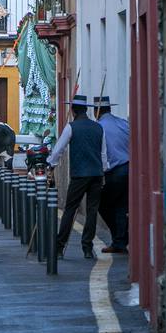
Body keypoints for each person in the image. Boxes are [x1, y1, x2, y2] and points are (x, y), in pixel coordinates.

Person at [47, 94, 109, 259]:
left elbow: (58, 149)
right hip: (96, 174)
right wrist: (103, 173)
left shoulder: (71, 127)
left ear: (73, 110)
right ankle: (87, 248)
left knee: (70, 209)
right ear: (86, 110)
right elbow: (103, 155)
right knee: (92, 211)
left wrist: (51, 164)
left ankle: (60, 246)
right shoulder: (98, 128)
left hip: (80, 175)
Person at [94, 95, 130, 253]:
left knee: (102, 204)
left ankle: (120, 237)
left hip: (113, 171)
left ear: (97, 111)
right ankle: (121, 240)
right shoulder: (124, 123)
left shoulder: (98, 127)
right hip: (128, 168)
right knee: (121, 206)